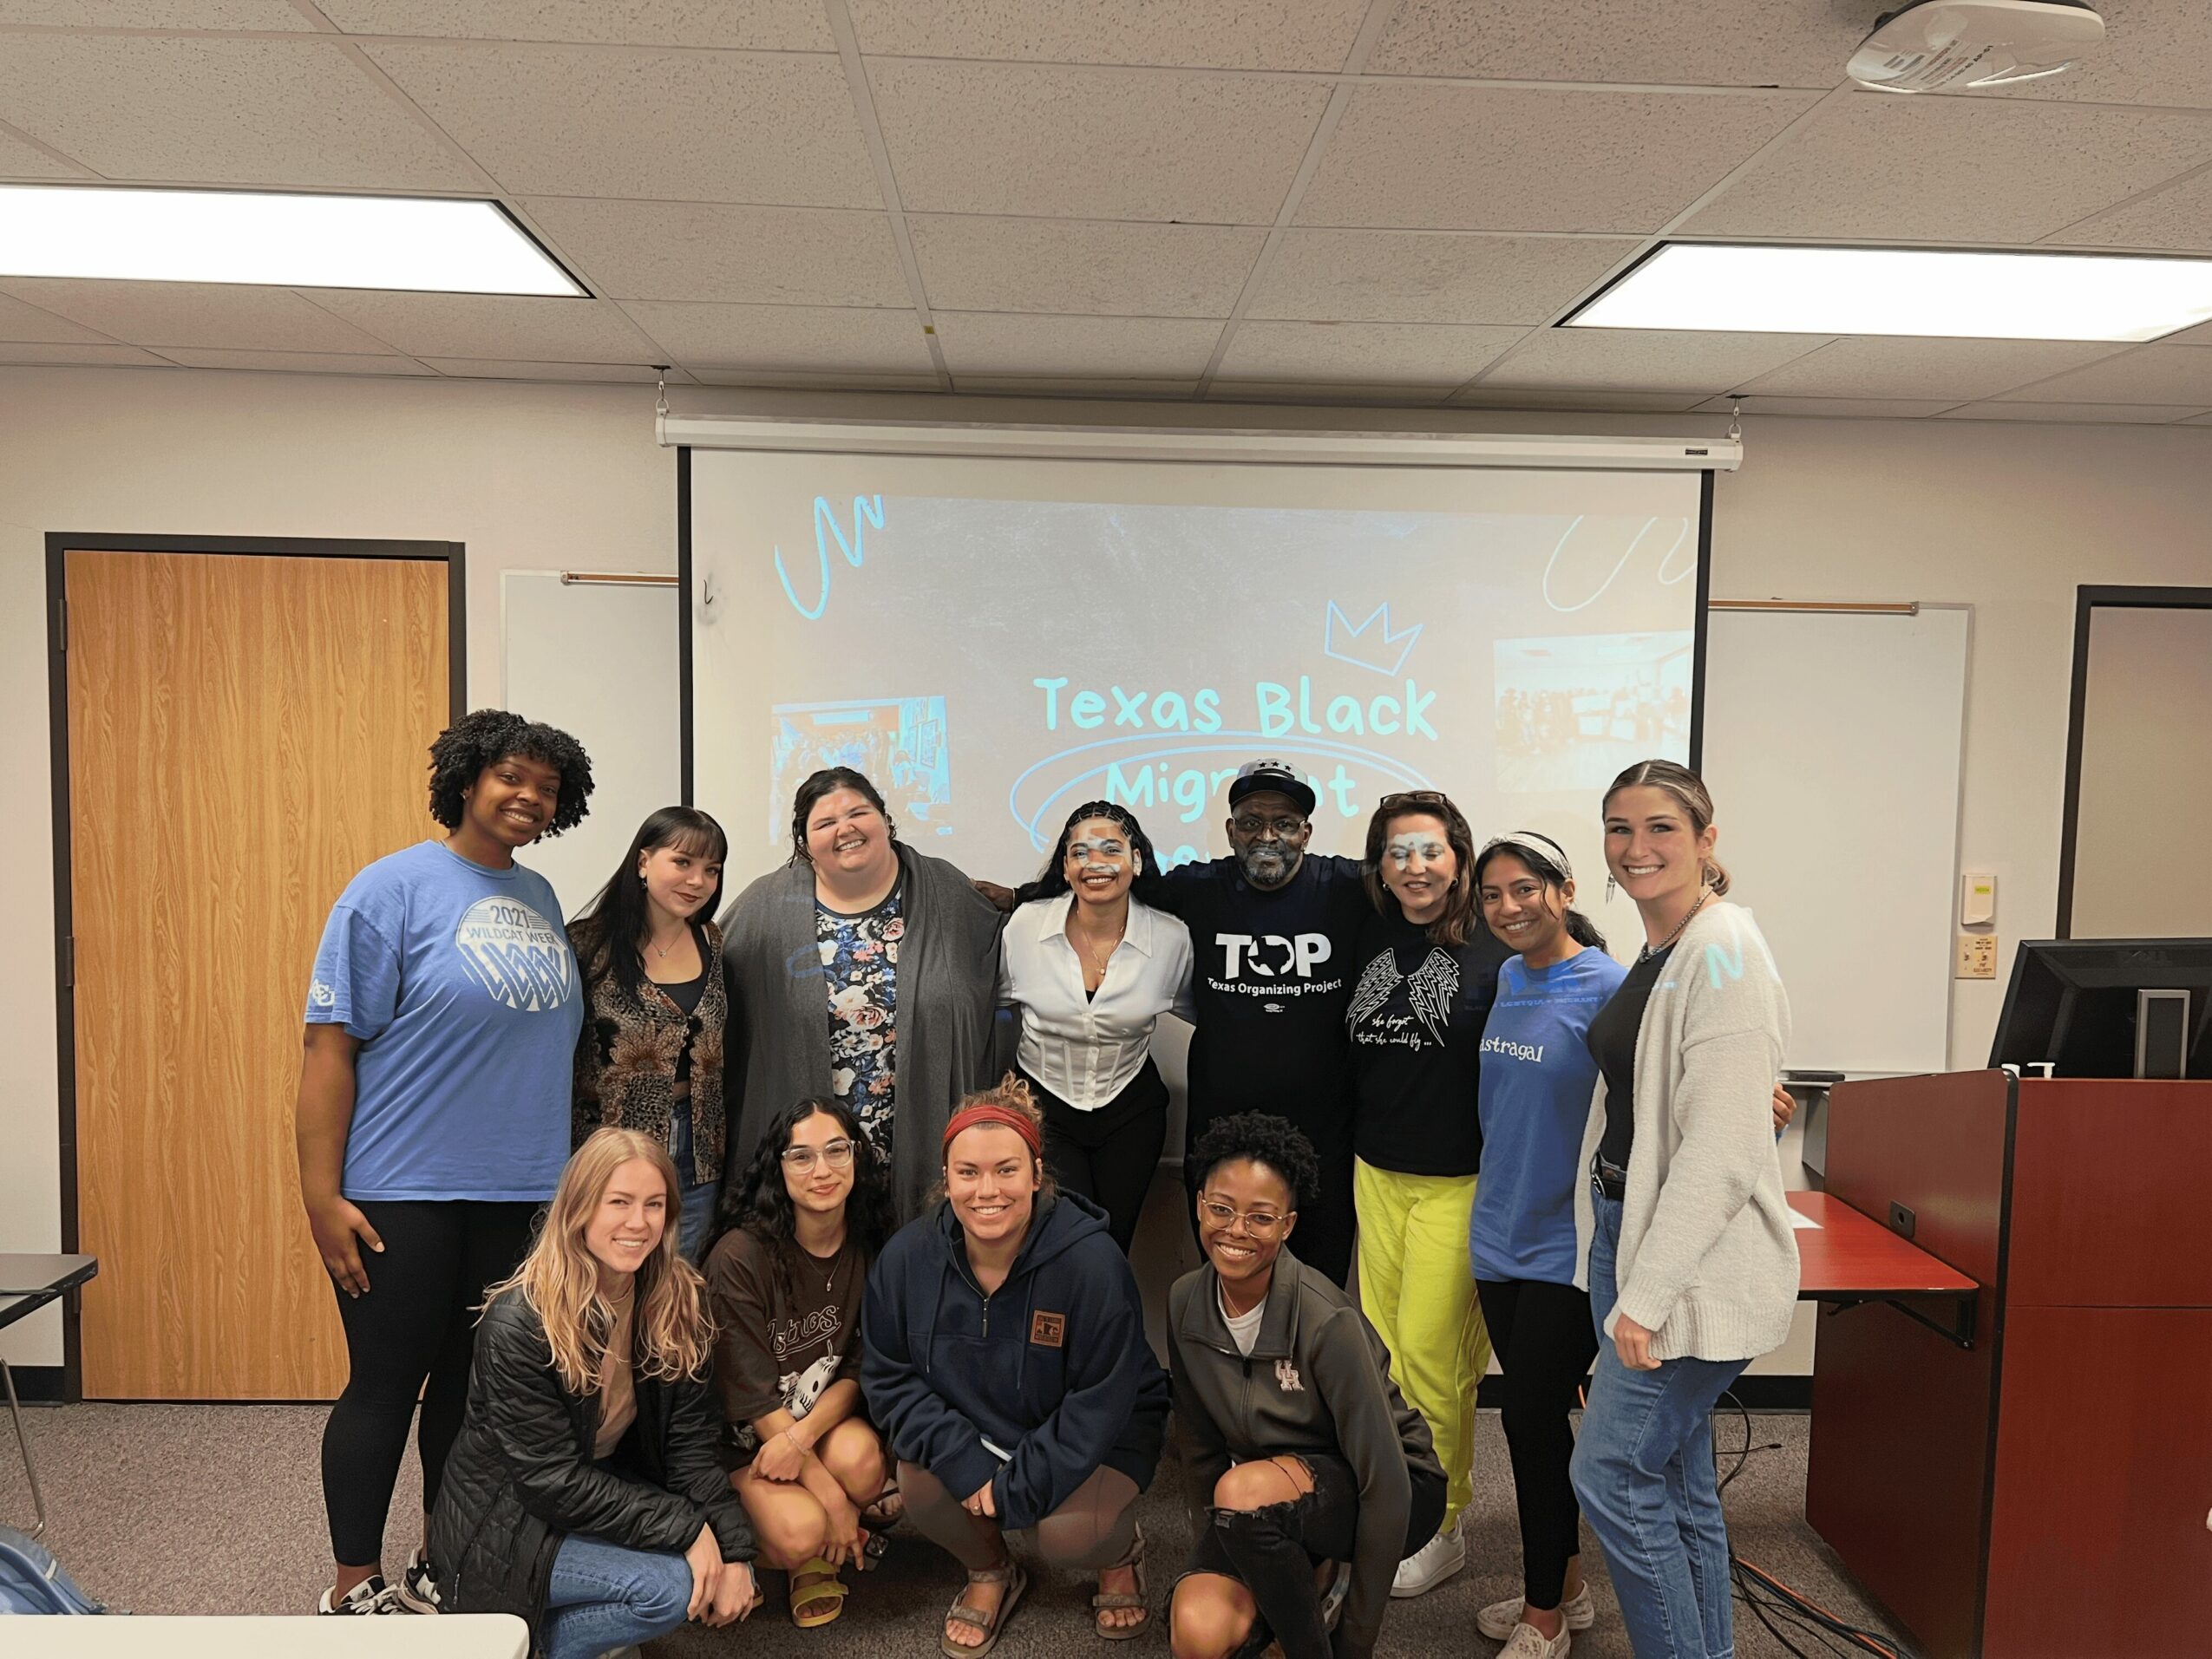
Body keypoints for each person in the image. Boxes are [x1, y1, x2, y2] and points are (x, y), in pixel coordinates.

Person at [297, 708, 592, 1617]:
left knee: (472, 1393)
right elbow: (328, 1050)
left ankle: (438, 1554)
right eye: (511, 775)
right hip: (403, 1189)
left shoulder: (540, 897)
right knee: (388, 1384)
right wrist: (320, 1194)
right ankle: (352, 1583)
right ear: (465, 779)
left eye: (546, 787)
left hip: (517, 1192)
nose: (528, 795)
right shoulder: (390, 889)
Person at [1569, 760, 1796, 1659]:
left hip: (1677, 1267)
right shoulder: (1666, 948)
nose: (1637, 847)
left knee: (1613, 1473)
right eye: (1620, 828)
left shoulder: (1723, 946)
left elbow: (1723, 1147)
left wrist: (1647, 1294)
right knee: (1678, 1481)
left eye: (1661, 826)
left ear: (1707, 839)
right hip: (1629, 1233)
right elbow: (1691, 1103)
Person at [862, 1076, 1170, 1654]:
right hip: (982, 1425)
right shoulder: (907, 1258)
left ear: (1036, 1173)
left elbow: (1100, 1400)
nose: (988, 1190)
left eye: (1006, 1169)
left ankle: (1121, 1552)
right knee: (921, 1481)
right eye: (968, 1172)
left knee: (1067, 1536)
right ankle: (991, 1570)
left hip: (1100, 1432)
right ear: (946, 1178)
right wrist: (962, 1457)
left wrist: (1017, 1489)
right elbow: (889, 1374)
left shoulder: (1092, 1262)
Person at [429, 1127, 760, 1656]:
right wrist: (690, 1531)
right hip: (506, 1526)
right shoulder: (520, 1321)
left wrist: (734, 1548)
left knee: (700, 1566)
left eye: (654, 1205)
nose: (638, 1222)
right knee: (668, 1589)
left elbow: (689, 1449)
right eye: (620, 1202)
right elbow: (549, 1481)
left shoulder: (677, 1301)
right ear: (580, 1208)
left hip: (599, 1489)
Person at [1167, 1113, 1443, 1659]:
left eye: (1260, 1217)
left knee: (1242, 1492)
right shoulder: (1183, 1302)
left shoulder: (1326, 1322)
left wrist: (1355, 1642)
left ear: (1288, 1225)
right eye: (1220, 1209)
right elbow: (1199, 1451)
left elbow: (1386, 1484)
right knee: (1198, 1630)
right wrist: (1221, 1554)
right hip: (1266, 1493)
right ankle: (1306, 1575)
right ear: (1199, 1205)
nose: (1236, 1230)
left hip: (1391, 1489)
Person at [1343, 788, 1508, 1598]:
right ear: (1380, 863)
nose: (1415, 866)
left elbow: (1597, 992)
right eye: (1398, 851)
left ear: (1460, 856)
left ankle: (1444, 1525)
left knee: (1436, 1365)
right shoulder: (1366, 926)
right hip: (1377, 1171)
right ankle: (1403, 1504)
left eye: (1431, 850)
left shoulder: (1497, 936)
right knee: (1385, 1358)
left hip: (1461, 1180)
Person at [1468, 833, 1625, 1657]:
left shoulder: (1608, 985)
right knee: (1534, 1420)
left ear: (1563, 889)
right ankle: (1566, 1586)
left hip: (1567, 1243)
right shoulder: (1504, 979)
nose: (1508, 908)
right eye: (1492, 895)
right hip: (1497, 1234)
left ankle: (1544, 1618)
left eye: (1524, 889)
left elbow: (1667, 1083)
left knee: (1531, 1418)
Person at [722, 766, 1006, 1220]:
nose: (846, 828)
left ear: (884, 819)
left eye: (859, 812)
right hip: (815, 1148)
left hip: (920, 1130)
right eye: (825, 822)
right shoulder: (765, 908)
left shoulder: (944, 892)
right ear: (804, 840)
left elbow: (1004, 955)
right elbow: (707, 973)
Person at [1157, 760, 1374, 1287]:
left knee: (1319, 1285)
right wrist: (1019, 899)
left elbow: (1432, 892)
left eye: (1285, 822)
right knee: (1227, 1275)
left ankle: (1305, 1374)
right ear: (1230, 831)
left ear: (1307, 832)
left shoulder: (1347, 885)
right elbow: (1104, 886)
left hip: (1326, 1130)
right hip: (1220, 1127)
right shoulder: (1199, 887)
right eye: (1252, 822)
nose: (1268, 836)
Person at [705, 1096, 895, 1628]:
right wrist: (833, 1499)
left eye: (837, 1150)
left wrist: (801, 1440)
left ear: (857, 1156)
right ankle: (735, 1547)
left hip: (800, 1431)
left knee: (862, 1460)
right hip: (740, 1448)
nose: (822, 1170)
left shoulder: (871, 1245)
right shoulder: (739, 1257)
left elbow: (856, 1368)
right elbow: (754, 1401)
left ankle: (811, 1552)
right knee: (804, 1528)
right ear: (777, 1167)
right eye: (801, 1156)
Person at [999, 800, 1194, 1253]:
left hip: (1132, 1111)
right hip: (1044, 1106)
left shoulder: (1171, 938)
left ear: (1137, 861)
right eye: (1080, 853)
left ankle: (1108, 1326)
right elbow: (987, 1002)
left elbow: (1203, 1012)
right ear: (1065, 868)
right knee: (1064, 1243)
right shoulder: (1026, 926)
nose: (1095, 863)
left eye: (1111, 849)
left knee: (1114, 1244)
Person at [570, 806, 731, 1260]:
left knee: (680, 1282)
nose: (697, 881)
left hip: (699, 1151)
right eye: (682, 862)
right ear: (643, 862)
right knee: (608, 1277)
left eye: (711, 870)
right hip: (609, 1152)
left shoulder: (714, 942)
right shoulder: (586, 945)